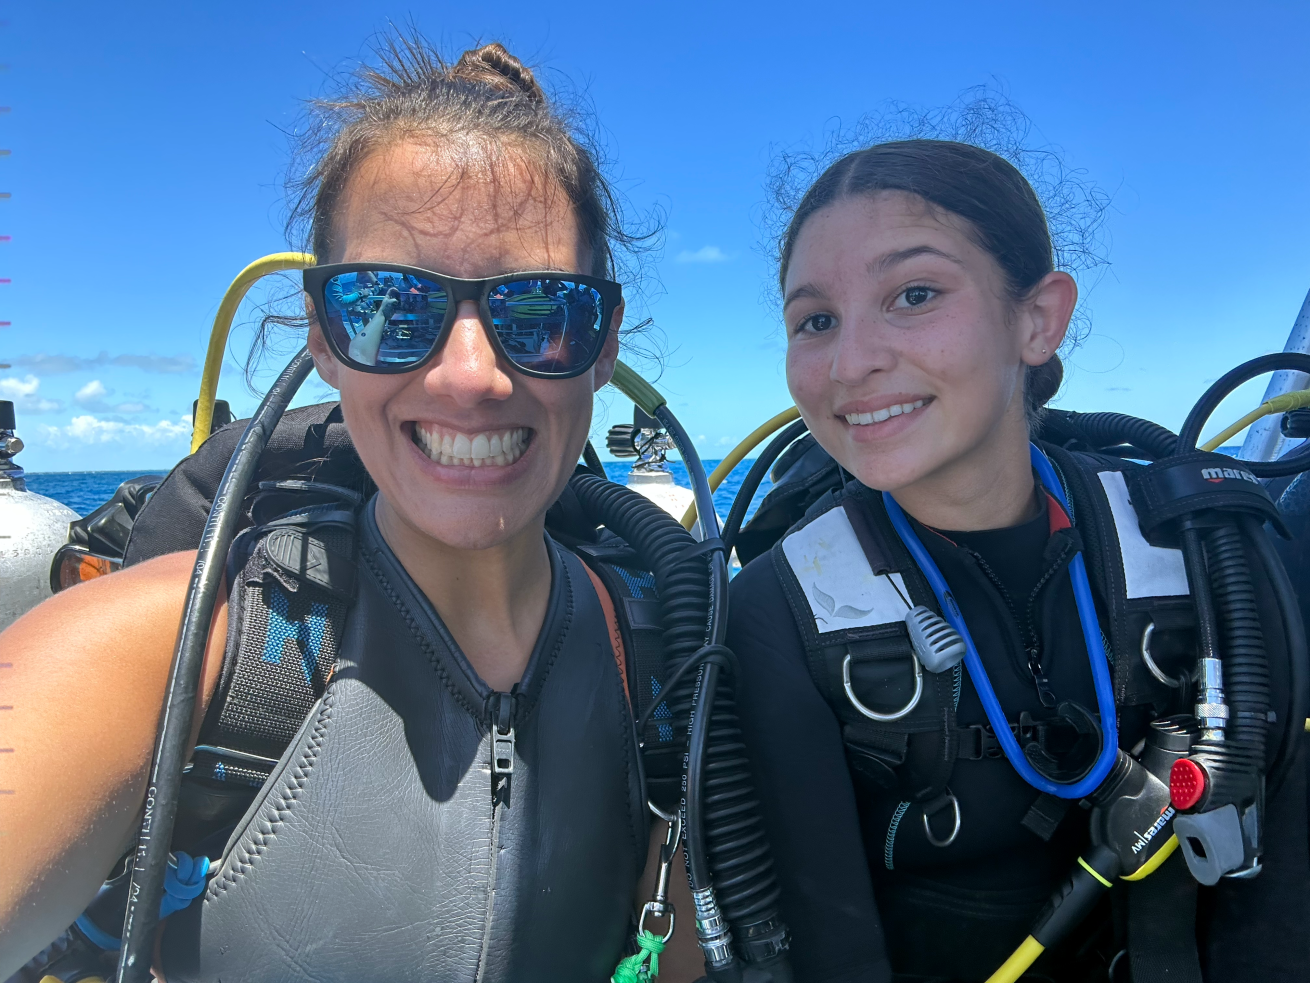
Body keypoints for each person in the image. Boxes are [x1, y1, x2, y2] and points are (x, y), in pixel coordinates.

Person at [0, 36, 702, 983]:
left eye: (541, 311)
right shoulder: (167, 649)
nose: (471, 376)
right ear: (324, 338)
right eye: (389, 307)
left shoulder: (667, 660)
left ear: (604, 342)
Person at [727, 138, 1310, 981]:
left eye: (913, 294)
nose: (851, 363)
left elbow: (1278, 910)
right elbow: (828, 946)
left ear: (1038, 317)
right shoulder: (782, 611)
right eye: (816, 320)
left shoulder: (1202, 547)